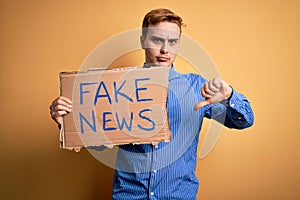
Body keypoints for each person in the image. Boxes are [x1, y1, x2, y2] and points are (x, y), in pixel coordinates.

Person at [50, 8, 254, 200]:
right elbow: (101, 143)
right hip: (129, 195)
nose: (165, 49)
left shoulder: (196, 88)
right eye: (157, 40)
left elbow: (245, 120)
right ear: (142, 40)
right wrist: (67, 122)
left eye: (173, 42)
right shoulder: (118, 87)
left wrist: (229, 96)